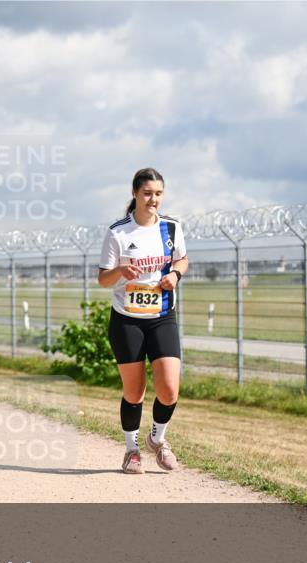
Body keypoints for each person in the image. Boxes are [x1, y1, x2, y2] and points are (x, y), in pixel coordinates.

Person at [98, 168, 189, 475]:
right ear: (135, 193)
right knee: (134, 391)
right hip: (127, 320)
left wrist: (174, 275)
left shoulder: (172, 228)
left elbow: (182, 259)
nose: (153, 200)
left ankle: (158, 440)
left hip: (162, 316)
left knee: (169, 389)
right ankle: (131, 450)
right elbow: (102, 279)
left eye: (159, 194)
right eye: (148, 193)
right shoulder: (119, 232)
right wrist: (120, 274)